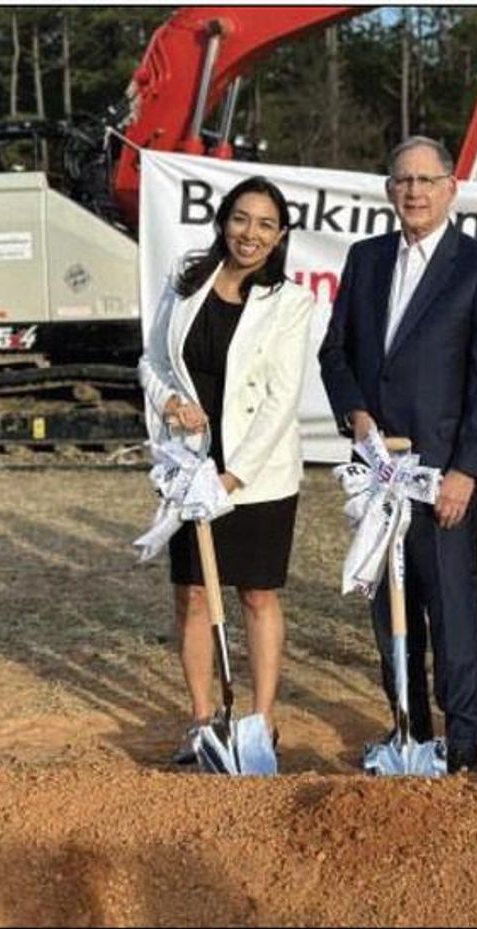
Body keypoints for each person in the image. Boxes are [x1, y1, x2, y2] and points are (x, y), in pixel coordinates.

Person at [319, 135, 477, 774]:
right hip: (380, 475)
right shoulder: (366, 258)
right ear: (388, 190)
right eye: (403, 180)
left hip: (444, 477)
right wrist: (354, 412)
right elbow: (336, 352)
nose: (414, 192)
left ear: (451, 188)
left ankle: (463, 744)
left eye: (427, 180)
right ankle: (410, 729)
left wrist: (466, 469)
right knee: (391, 611)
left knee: (453, 610)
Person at [139, 175, 315, 764]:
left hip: (255, 477)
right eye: (241, 219)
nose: (251, 233)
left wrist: (232, 477)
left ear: (280, 235)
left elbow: (280, 400)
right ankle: (201, 720)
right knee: (191, 595)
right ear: (223, 222)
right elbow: (153, 359)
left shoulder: (290, 303)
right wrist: (167, 402)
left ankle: (260, 722)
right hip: (190, 466)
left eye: (266, 224)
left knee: (257, 596)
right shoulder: (187, 281)